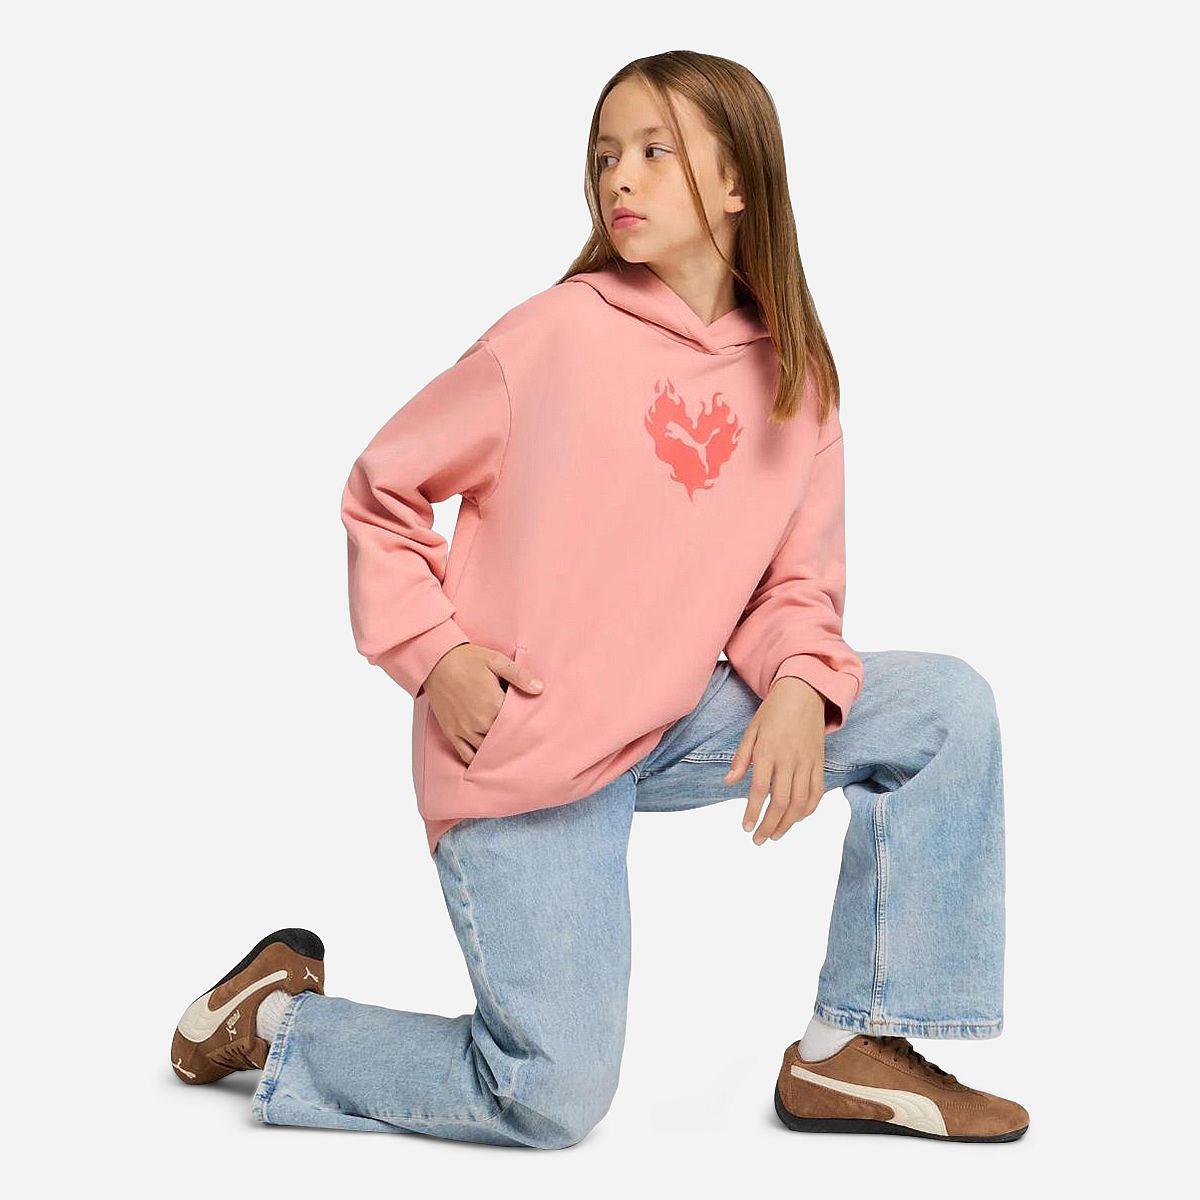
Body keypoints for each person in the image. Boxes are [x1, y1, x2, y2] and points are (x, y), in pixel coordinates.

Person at [169, 50, 1029, 1146]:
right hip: (524, 747)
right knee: (549, 1095)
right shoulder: (554, 335)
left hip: (669, 720)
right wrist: (437, 655)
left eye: (656, 152)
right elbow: (382, 490)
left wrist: (799, 685)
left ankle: (854, 1046)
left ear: (737, 181)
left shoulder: (797, 380)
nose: (620, 176)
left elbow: (795, 585)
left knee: (943, 709)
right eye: (607, 154)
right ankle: (272, 1022)